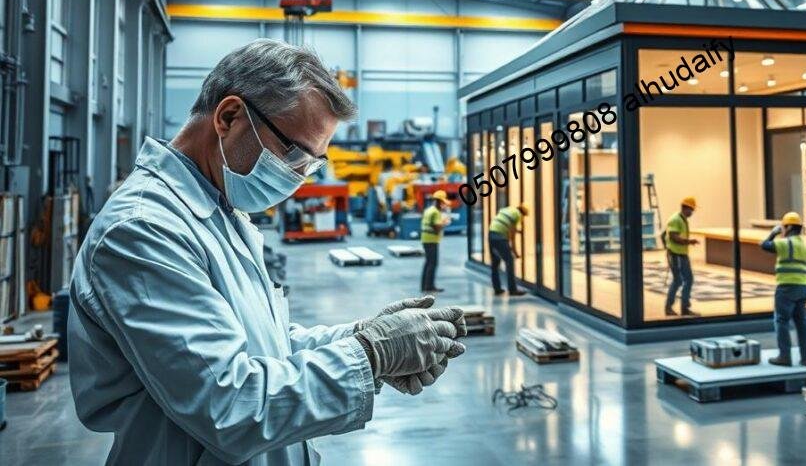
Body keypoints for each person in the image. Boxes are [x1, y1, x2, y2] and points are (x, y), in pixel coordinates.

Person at [67, 39, 468, 465]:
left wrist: (362, 335)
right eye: (293, 153)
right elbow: (230, 406)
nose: (299, 177)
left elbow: (265, 348)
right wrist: (371, 354)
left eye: (312, 165)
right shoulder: (145, 230)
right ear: (229, 116)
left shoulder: (224, 212)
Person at [760, 212, 806, 367]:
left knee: (781, 321)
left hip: (786, 287)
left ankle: (785, 356)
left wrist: (773, 233)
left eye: (783, 227)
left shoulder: (784, 243)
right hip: (803, 287)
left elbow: (764, 245)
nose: (783, 230)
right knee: (802, 322)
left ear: (789, 227)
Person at [664, 197, 700, 317]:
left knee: (688, 279)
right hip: (675, 254)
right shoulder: (676, 220)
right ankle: (668, 307)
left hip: (682, 254)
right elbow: (674, 236)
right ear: (685, 208)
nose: (692, 212)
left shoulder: (682, 219)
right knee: (678, 280)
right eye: (691, 209)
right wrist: (689, 242)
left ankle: (685, 307)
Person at [488, 204, 529, 296]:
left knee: (495, 263)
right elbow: (512, 236)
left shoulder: (509, 210)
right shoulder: (517, 215)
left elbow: (504, 224)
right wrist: (515, 252)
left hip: (491, 234)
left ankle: (497, 288)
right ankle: (512, 289)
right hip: (500, 238)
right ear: (522, 213)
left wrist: (516, 231)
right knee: (510, 261)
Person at [420, 190, 453, 293]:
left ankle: (424, 285)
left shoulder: (429, 210)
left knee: (428, 263)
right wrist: (445, 222)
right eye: (443, 202)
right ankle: (429, 286)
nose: (444, 205)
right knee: (433, 263)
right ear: (439, 202)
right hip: (431, 240)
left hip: (426, 239)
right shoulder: (435, 212)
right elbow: (437, 227)